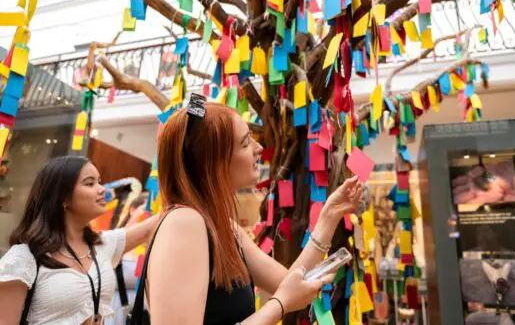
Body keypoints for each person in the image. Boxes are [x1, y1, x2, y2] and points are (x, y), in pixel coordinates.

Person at [142, 94, 363, 324]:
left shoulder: (224, 228)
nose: (259, 148)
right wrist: (279, 305)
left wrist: (329, 216)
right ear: (213, 162)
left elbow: (293, 282)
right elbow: (286, 295)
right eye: (246, 143)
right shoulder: (184, 223)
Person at [0, 156, 159, 325]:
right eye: (89, 183)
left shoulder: (102, 244)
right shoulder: (24, 258)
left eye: (99, 182)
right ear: (63, 197)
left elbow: (151, 226)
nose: (101, 190)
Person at [107, 194, 149, 325]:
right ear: (132, 209)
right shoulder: (112, 240)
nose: (148, 214)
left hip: (144, 316)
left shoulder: (156, 244)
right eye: (145, 208)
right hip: (116, 312)